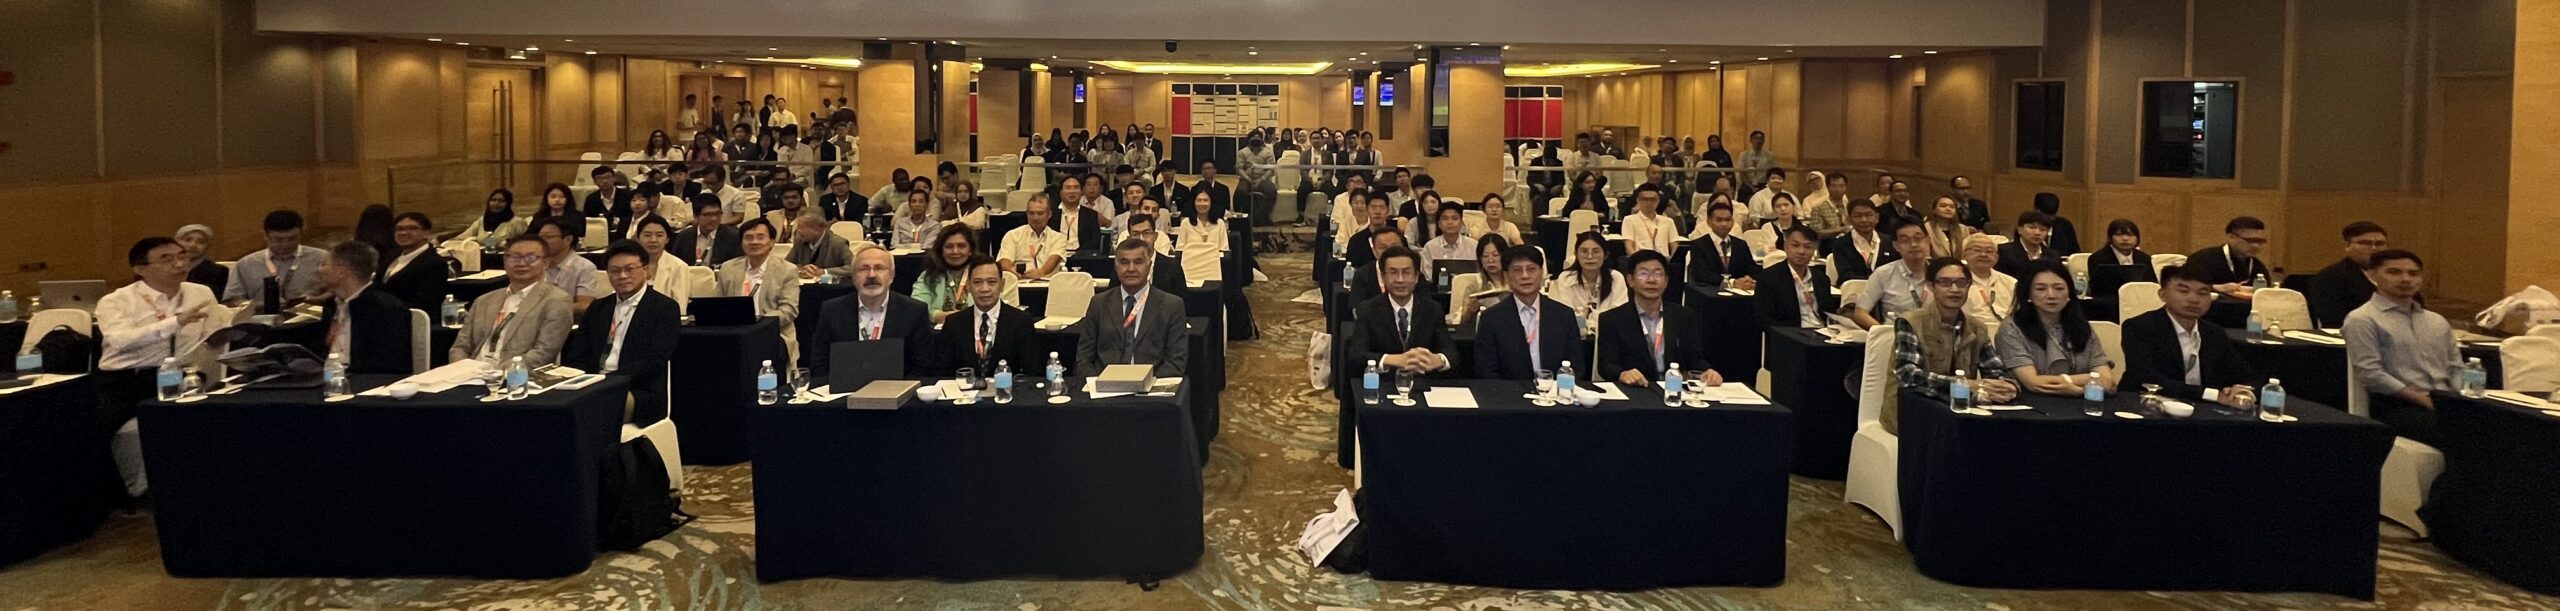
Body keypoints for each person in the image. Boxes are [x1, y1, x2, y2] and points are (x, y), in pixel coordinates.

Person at [1889, 257, 2021, 432]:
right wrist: (1964, 385)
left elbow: (1996, 370)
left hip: (1961, 415)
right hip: (1915, 416)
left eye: (1961, 283)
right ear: (1930, 286)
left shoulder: (1977, 328)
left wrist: (2006, 386)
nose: (1954, 289)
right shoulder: (1911, 322)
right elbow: (1907, 375)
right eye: (1945, 283)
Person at [2343, 249, 2459, 443]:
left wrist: (2458, 400)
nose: (2406, 279)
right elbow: (2371, 374)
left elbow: (2455, 367)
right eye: (2394, 272)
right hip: (2397, 406)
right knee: (2462, 434)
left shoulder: (2437, 321)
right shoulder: (2362, 319)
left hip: (2444, 402)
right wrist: (2424, 400)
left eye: (2413, 274)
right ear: (2372, 275)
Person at [563, 241, 682, 424]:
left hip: (637, 389)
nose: (622, 276)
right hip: (591, 384)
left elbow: (655, 360)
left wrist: (607, 381)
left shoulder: (664, 308)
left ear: (646, 270)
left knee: (592, 408)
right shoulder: (598, 308)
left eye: (630, 269)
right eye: (615, 271)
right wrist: (581, 379)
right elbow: (578, 353)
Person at [2120, 264, 2263, 407]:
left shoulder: (2214, 333)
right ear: (2162, 294)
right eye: (2183, 291)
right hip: (2146, 406)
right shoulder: (2139, 327)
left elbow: (2248, 376)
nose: (2193, 299)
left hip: (2204, 410)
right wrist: (2213, 395)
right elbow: (2146, 378)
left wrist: (2244, 392)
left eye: (2202, 293)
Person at [1599, 250, 1720, 389]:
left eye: (1658, 274)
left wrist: (1708, 371)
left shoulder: (1684, 316)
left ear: (1666, 281)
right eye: (1643, 274)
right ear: (1630, 280)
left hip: (1674, 390)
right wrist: (1622, 374)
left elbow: (1695, 359)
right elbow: (1606, 365)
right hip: (1636, 390)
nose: (1651, 280)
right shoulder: (1612, 319)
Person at [811, 245, 934, 379]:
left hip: (898, 389)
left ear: (891, 276)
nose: (871, 275)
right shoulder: (832, 311)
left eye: (879, 268)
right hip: (843, 389)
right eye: (863, 269)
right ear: (853, 277)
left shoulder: (914, 311)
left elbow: (923, 365)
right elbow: (819, 362)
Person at [1074, 237, 1190, 378]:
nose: (1131, 269)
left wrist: (1144, 383)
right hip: (1104, 385)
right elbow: (1083, 359)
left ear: (1149, 266)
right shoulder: (1099, 303)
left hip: (1152, 385)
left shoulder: (1171, 305)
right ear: (1116, 266)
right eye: (1124, 262)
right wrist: (1101, 382)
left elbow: (1176, 363)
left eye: (1138, 262)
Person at [1998, 261, 2118, 397]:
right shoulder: (2012, 329)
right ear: (2028, 294)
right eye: (2041, 289)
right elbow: (2033, 383)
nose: (2051, 295)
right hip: (2035, 403)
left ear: (2069, 293)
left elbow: (2108, 382)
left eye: (2059, 288)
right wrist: (2088, 380)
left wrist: (2077, 389)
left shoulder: (2081, 326)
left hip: (2084, 403)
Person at [450, 235, 573, 367]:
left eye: (531, 258)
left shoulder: (556, 300)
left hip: (516, 374)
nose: (521, 263)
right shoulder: (484, 300)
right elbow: (460, 347)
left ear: (546, 263)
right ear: (505, 260)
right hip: (471, 372)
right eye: (515, 257)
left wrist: (498, 372)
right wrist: (462, 369)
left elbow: (543, 354)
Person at [1475, 245, 1582, 380]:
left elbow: (1576, 366)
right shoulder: (1491, 318)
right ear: (1506, 276)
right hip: (1510, 391)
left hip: (1555, 390)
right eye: (1517, 270)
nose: (1525, 276)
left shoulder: (1563, 315)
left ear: (1541, 273)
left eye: (1531, 269)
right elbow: (1486, 371)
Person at [305, 241, 412, 375]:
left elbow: (390, 364)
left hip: (362, 379)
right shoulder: (332, 305)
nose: (319, 270)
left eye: (324, 264)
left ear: (341, 271)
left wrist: (341, 370)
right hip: (329, 375)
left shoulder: (385, 308)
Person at [934, 255, 1037, 377]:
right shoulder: (954, 323)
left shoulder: (1021, 321)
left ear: (1002, 285)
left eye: (991, 282)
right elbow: (943, 372)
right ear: (968, 286)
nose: (984, 289)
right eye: (977, 282)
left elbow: (1032, 371)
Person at [718, 218, 805, 363]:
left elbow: (789, 310)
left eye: (760, 237)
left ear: (771, 242)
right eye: (748, 238)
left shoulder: (787, 270)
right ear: (741, 242)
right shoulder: (728, 268)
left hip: (772, 333)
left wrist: (759, 323)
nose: (754, 242)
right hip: (734, 331)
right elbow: (718, 304)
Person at [223, 209, 330, 305]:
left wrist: (317, 299)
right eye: (278, 239)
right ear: (265, 235)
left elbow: (335, 291)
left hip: (310, 317)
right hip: (259, 317)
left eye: (292, 238)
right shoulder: (246, 264)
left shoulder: (322, 258)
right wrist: (257, 306)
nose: (286, 244)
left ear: (302, 233)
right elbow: (231, 300)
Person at [1846, 223, 1938, 328]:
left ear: (1928, 241)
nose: (1913, 244)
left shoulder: (1942, 271)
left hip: (1938, 333)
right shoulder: (1883, 274)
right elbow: (1860, 312)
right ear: (1896, 246)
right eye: (1905, 240)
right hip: (1897, 332)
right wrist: (1883, 331)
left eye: (1918, 238)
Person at [1755, 226, 1839, 329]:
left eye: (1808, 247)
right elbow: (1764, 319)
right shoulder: (1769, 277)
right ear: (1786, 247)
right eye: (1795, 245)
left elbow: (1829, 313)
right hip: (1791, 332)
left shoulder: (1821, 278)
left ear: (1814, 250)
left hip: (1822, 331)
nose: (1801, 251)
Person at [2310, 222, 2390, 329]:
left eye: (2380, 243)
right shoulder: (2331, 277)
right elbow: (2333, 321)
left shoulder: (2396, 274)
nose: (2374, 248)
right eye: (2365, 243)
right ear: (2347, 245)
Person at [1549, 231, 1629, 325]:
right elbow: (1564, 315)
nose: (1590, 256)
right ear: (1576, 254)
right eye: (1584, 251)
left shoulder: (1616, 278)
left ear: (1605, 255)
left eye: (1596, 252)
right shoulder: (1566, 278)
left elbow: (1621, 314)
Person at [378, 212, 450, 313]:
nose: (403, 233)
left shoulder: (434, 263)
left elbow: (426, 303)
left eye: (412, 228)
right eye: (399, 229)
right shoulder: (391, 255)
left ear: (426, 233)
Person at [530, 217, 605, 313]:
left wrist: (550, 310)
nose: (542, 242)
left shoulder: (584, 267)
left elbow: (584, 304)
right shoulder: (533, 263)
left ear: (568, 239)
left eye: (548, 237)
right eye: (540, 237)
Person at [2185, 216, 2271, 297]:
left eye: (2260, 241)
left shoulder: (2258, 266)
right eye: (2250, 240)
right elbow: (2187, 286)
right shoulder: (2202, 259)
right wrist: (2215, 288)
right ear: (2231, 237)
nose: (2256, 246)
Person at [1685, 200, 1759, 289]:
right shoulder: (1699, 245)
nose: (1724, 224)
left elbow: (1753, 269)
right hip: (1710, 291)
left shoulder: (1741, 244)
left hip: (1740, 292)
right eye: (1719, 220)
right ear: (1709, 222)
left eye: (1728, 220)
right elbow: (1701, 274)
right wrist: (1731, 282)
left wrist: (1749, 280)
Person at [913, 224, 978, 320]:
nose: (955, 251)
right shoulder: (929, 276)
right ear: (941, 251)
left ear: (970, 250)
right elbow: (916, 307)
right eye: (949, 246)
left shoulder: (982, 274)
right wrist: (937, 315)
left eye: (961, 246)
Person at [999, 194, 1071, 281]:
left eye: (1040, 213)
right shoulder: (1012, 235)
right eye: (1031, 213)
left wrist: (1041, 272)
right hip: (1020, 283)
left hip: (1048, 284)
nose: (1035, 218)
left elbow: (1054, 259)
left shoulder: (1059, 238)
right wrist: (1012, 271)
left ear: (1049, 214)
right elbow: (1004, 260)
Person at [1959, 233, 2017, 333]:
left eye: (1989, 251)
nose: (1983, 255)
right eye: (1977, 250)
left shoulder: (2010, 282)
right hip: (1969, 333)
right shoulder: (1957, 281)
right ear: (1964, 255)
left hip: (2006, 333)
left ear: (1997, 257)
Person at [629, 216, 691, 308]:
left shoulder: (679, 266)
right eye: (647, 235)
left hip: (666, 316)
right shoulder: (628, 265)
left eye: (659, 235)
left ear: (667, 239)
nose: (653, 240)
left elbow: (680, 306)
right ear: (638, 238)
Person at [1827, 200, 1893, 283]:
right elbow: (1845, 275)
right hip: (1855, 288)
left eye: (1868, 215)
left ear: (1877, 218)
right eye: (1857, 216)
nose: (1864, 220)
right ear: (1849, 219)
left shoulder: (1890, 242)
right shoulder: (1841, 243)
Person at [669, 194, 743, 266]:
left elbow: (737, 266)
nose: (714, 218)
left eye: (718, 213)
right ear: (695, 216)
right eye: (708, 215)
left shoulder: (734, 236)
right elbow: (675, 263)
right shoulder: (685, 236)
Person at [787, 212, 856, 284]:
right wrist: (801, 270)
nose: (798, 231)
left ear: (816, 229)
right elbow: (787, 265)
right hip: (805, 285)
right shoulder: (800, 241)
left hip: (831, 285)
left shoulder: (838, 243)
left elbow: (853, 268)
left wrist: (824, 272)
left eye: (801, 228)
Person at [1347, 228, 1409, 307]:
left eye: (1394, 246)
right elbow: (1357, 308)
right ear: (1374, 251)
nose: (1389, 251)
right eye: (1383, 247)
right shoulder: (1362, 275)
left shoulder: (1413, 272)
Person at [448, 188, 527, 251]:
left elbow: (527, 241)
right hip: (481, 259)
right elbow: (465, 235)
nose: (496, 204)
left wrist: (509, 243)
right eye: (493, 200)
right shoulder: (482, 220)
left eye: (501, 201)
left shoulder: (516, 222)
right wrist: (448, 242)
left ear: (508, 204)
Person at [1996, 210, 2065, 280]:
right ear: (2019, 230)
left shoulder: (2053, 255)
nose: (2037, 233)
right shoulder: (2003, 252)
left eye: (2042, 229)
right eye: (2032, 227)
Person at [1619, 183, 1678, 256]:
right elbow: (1629, 247)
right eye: (1645, 199)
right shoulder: (1629, 220)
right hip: (1640, 260)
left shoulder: (1668, 221)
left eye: (1653, 199)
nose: (1649, 203)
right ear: (1638, 200)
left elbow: (1675, 246)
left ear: (1658, 200)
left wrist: (1671, 260)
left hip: (1663, 260)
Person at [1343, 190, 1397, 269]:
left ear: (1388, 211)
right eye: (1373, 207)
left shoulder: (1397, 238)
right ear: (1367, 210)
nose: (1377, 212)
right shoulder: (1356, 241)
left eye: (1382, 207)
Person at [1053, 178, 1105, 252]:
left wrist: (1078, 253)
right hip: (1055, 254)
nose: (1072, 191)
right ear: (1061, 192)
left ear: (1082, 192)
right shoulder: (1051, 214)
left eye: (1076, 187)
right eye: (1068, 188)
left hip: (1081, 254)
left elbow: (1095, 240)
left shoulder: (1090, 215)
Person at [172, 224, 228, 291]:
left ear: (207, 247)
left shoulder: (218, 272)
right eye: (188, 240)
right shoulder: (164, 269)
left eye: (201, 242)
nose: (193, 245)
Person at [1174, 189, 1230, 254]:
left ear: (1211, 202)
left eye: (1205, 200)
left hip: (1213, 260)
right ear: (1194, 202)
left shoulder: (1220, 223)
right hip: (1191, 260)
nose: (1202, 204)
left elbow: (1224, 250)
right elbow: (1179, 249)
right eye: (1199, 200)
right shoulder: (1186, 223)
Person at [1804, 171, 1848, 238]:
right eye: (1834, 186)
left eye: (1842, 186)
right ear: (1827, 187)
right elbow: (1815, 232)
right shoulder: (1818, 208)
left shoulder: (1849, 206)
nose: (1838, 189)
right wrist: (1840, 230)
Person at [1736, 131, 1777, 200]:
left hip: (1763, 185)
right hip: (1747, 184)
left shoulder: (1769, 155)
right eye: (1756, 138)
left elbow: (1773, 171)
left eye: (1761, 138)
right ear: (1751, 140)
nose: (1759, 141)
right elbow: (1742, 173)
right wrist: (1752, 187)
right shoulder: (1744, 155)